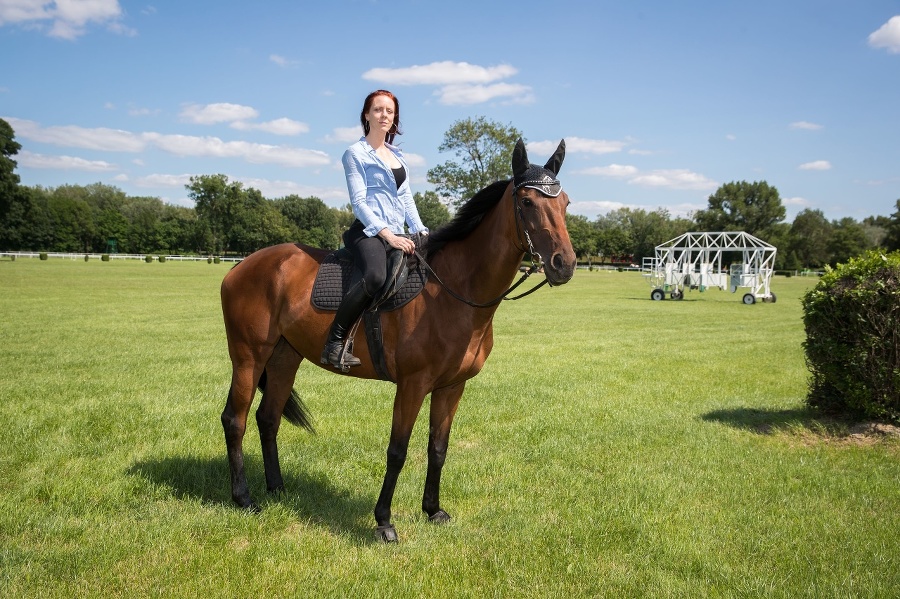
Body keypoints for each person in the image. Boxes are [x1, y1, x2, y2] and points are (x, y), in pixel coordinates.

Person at [321, 89, 429, 369]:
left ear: (395, 119)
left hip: (397, 233)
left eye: (390, 111)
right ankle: (334, 342)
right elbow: (358, 202)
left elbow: (406, 198)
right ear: (367, 115)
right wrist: (389, 236)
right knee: (374, 275)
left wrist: (420, 230)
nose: (384, 115)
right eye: (378, 110)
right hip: (368, 232)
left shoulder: (398, 157)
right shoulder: (355, 154)